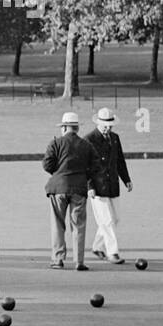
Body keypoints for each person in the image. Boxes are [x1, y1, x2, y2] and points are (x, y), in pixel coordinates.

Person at [42, 111, 102, 271]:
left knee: (57, 225)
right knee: (79, 226)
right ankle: (79, 261)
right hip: (79, 188)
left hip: (58, 188)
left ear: (64, 128)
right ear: (77, 128)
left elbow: (47, 164)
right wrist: (84, 175)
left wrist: (59, 172)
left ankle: (58, 259)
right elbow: (96, 166)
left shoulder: (55, 143)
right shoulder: (87, 145)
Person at [85, 106, 132, 264]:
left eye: (110, 125)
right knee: (107, 221)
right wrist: (89, 186)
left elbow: (120, 160)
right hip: (97, 187)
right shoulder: (89, 139)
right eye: (105, 125)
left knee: (115, 218)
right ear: (98, 123)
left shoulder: (115, 138)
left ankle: (97, 247)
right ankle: (113, 253)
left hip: (112, 184)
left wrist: (127, 179)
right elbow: (86, 166)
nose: (108, 128)